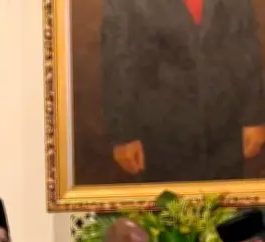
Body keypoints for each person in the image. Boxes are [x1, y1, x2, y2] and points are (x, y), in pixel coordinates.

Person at [102, 0, 265, 182]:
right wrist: (123, 135)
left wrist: (254, 117)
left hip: (225, 128)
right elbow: (118, 61)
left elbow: (246, 47)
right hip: (160, 133)